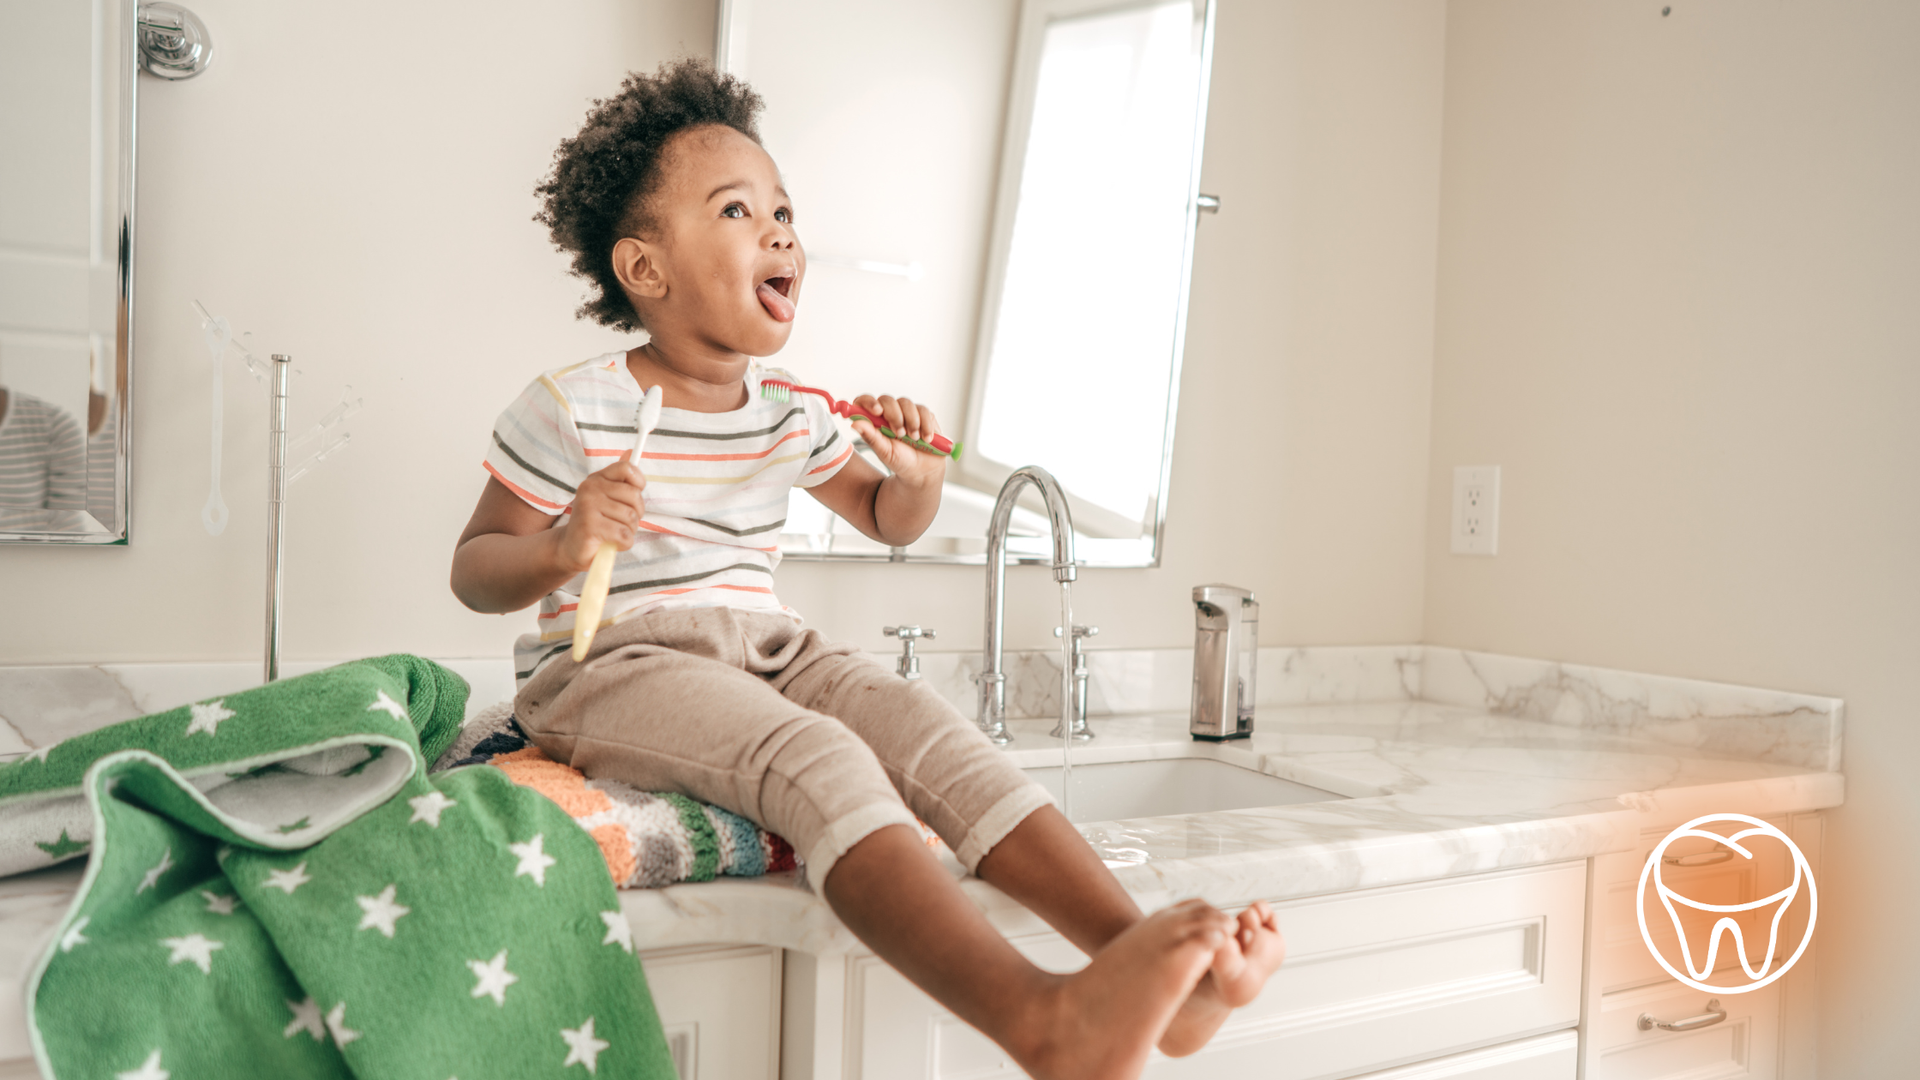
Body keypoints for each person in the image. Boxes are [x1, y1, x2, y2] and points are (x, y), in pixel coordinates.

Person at [450, 59, 1283, 1079]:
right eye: (737, 208)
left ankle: (1152, 974)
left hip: (765, 646)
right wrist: (564, 544)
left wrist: (921, 477)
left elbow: (889, 519)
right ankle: (1038, 1020)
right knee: (823, 759)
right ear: (647, 269)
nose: (782, 230)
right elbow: (477, 570)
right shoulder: (574, 405)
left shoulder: (791, 413)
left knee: (935, 736)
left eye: (784, 209)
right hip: (615, 665)